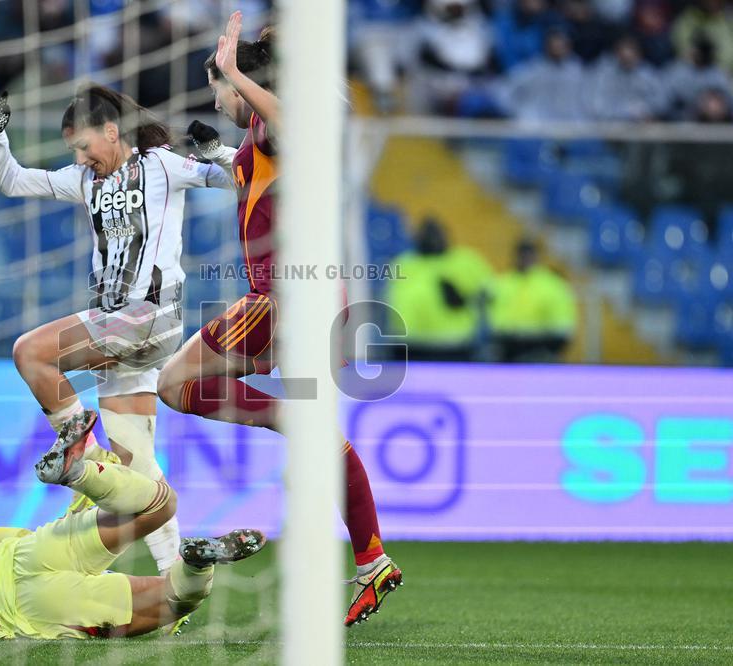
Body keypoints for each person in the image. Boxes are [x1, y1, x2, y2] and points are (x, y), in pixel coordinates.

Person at [156, 12, 402, 627]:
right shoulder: (260, 136)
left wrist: (236, 68)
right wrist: (217, 157)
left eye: (218, 89)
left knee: (171, 385)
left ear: (242, 85)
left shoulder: (273, 121)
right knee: (321, 436)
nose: (217, 100)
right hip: (316, 296)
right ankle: (372, 558)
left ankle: (285, 415)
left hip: (281, 299)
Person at [0, 85, 233, 577]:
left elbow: (234, 179)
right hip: (122, 337)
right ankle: (178, 575)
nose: (80, 156)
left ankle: (78, 441)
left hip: (148, 316)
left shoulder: (161, 164)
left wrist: (218, 150)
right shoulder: (82, 180)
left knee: (31, 352)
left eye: (83, 145)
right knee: (137, 465)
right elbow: (12, 181)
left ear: (111, 132)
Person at [0, 420, 266, 639]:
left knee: (173, 603)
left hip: (29, 612)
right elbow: (21, 539)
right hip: (25, 556)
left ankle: (195, 564)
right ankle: (80, 472)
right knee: (160, 504)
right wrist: (81, 515)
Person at [386, 216, 493, 361]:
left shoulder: (466, 260)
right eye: (427, 234)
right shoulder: (403, 263)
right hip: (411, 344)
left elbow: (490, 294)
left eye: (436, 234)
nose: (432, 239)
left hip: (455, 343)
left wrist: (465, 299)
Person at [488, 238, 578, 362]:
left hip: (540, 349)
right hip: (506, 348)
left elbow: (562, 326)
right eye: (521, 255)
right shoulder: (503, 283)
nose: (525, 259)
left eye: (529, 255)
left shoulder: (552, 284)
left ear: (537, 257)